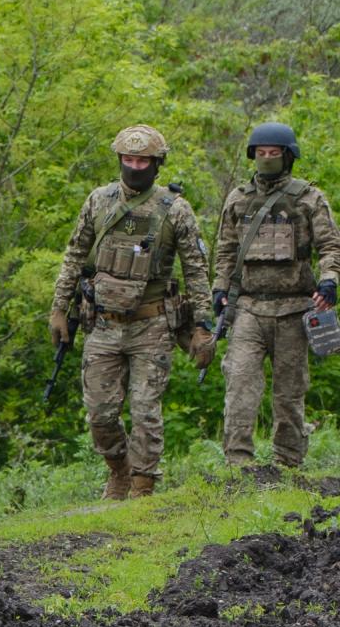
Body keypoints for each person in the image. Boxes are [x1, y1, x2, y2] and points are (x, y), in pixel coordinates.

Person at [49, 125, 209, 498]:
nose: (134, 167)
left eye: (142, 161)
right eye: (128, 159)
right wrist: (59, 307)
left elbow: (196, 269)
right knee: (100, 413)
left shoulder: (175, 210)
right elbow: (74, 255)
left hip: (152, 323)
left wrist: (202, 325)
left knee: (145, 410)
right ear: (119, 159)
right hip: (103, 323)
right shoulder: (99, 201)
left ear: (157, 164)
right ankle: (118, 470)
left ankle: (143, 485)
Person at [213, 121, 340, 472]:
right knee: (239, 385)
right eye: (262, 153)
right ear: (253, 156)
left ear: (288, 156)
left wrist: (329, 281)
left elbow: (331, 246)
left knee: (289, 393)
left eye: (274, 153)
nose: (267, 159)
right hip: (249, 308)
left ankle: (288, 464)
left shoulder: (308, 198)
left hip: (295, 309)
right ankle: (238, 464)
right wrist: (220, 290)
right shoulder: (238, 199)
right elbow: (225, 251)